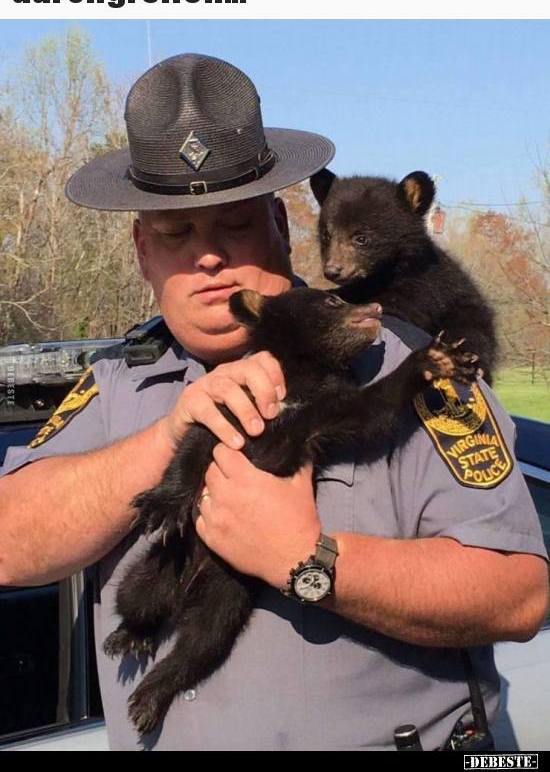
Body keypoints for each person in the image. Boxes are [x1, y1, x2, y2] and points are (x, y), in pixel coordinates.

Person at [0, 54, 547, 752]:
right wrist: (170, 435)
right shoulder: (114, 382)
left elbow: (517, 592)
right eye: (174, 234)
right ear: (142, 251)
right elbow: (10, 545)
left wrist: (307, 558)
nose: (207, 258)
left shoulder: (408, 362)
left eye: (232, 225)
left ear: (283, 230)